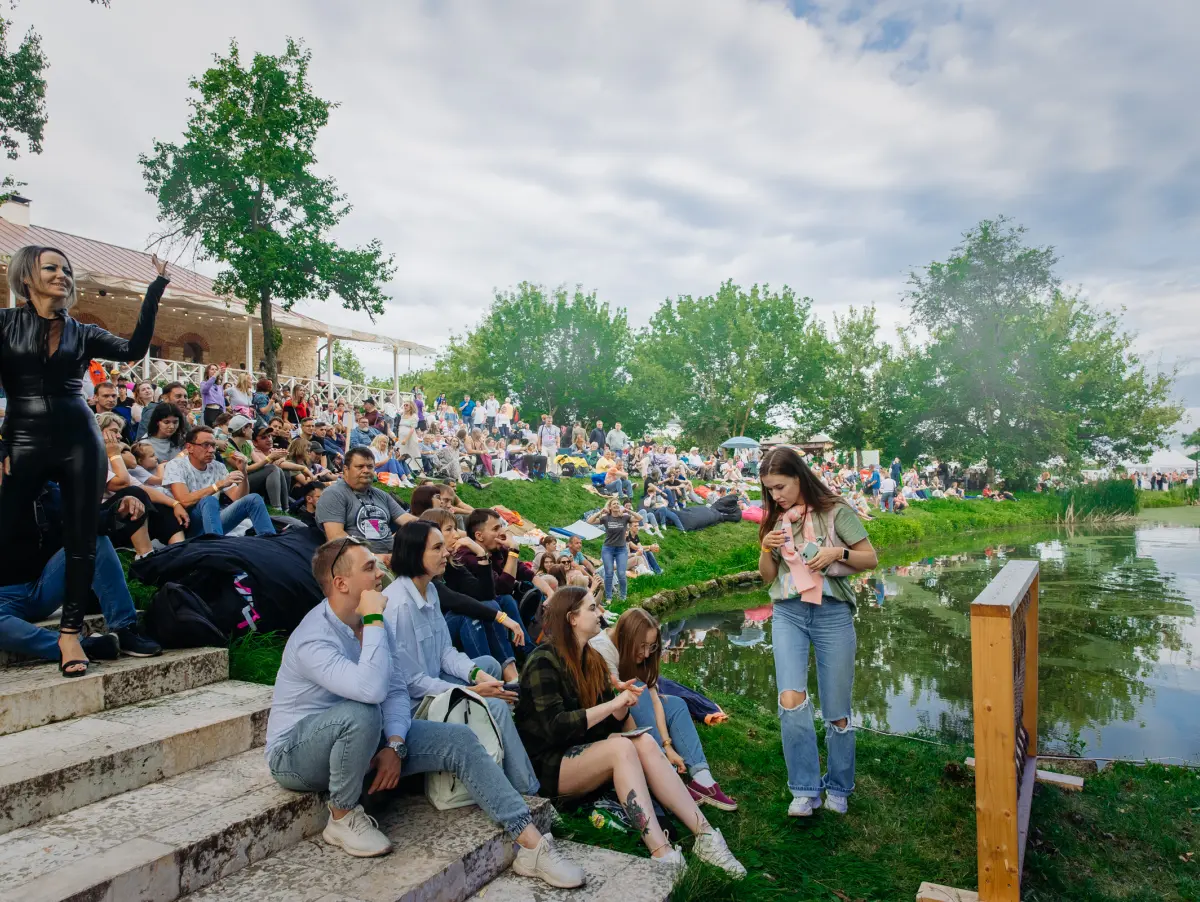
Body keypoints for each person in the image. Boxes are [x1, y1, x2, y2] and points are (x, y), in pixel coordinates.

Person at [264, 538, 583, 886]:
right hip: (295, 754)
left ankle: (532, 844)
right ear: (340, 583)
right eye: (369, 568)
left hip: (365, 739)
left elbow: (396, 688)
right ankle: (341, 815)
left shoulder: (373, 623)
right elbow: (369, 690)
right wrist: (373, 618)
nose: (380, 574)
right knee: (362, 712)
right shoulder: (315, 636)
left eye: (377, 564)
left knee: (460, 740)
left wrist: (397, 744)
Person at [0, 247, 167, 676]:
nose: (62, 274)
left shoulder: (82, 331)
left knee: (82, 536)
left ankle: (72, 633)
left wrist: (155, 290)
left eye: (67, 268)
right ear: (25, 278)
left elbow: (132, 350)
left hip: (79, 436)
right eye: (51, 267)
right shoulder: (4, 324)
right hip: (21, 434)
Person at [515, 586, 746, 876]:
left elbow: (605, 725)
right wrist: (613, 703)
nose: (600, 613)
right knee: (622, 747)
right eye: (591, 608)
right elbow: (555, 727)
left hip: (585, 755)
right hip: (549, 765)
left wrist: (621, 708)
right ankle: (663, 855)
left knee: (644, 741)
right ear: (572, 618)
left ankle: (705, 836)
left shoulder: (592, 660)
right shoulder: (543, 661)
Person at [758, 446, 877, 817]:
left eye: (780, 487)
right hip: (788, 614)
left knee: (837, 709)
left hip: (832, 614)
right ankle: (805, 789)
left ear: (798, 476)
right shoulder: (776, 521)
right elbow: (768, 578)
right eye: (769, 490)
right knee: (790, 699)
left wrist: (836, 555)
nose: (775, 496)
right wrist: (765, 549)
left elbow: (870, 558)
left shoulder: (836, 512)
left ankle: (839, 785)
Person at [589, 608, 736, 809]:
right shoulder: (603, 650)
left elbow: (654, 698)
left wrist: (667, 745)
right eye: (642, 646)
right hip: (606, 720)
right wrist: (657, 752)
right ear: (627, 637)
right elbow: (619, 709)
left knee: (675, 704)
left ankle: (703, 779)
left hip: (632, 707)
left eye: (651, 646)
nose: (647, 653)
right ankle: (665, 776)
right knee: (637, 693)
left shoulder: (639, 653)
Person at [1, 483, 162, 663]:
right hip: (5, 597)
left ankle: (125, 628)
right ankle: (82, 646)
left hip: (45, 584)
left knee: (93, 539)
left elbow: (87, 522)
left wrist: (118, 511)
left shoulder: (48, 490)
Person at [418, 507, 527, 682]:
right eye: (449, 529)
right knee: (468, 614)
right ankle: (494, 679)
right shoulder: (423, 573)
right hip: (429, 639)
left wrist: (481, 554)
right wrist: (500, 617)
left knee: (491, 604)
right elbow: (455, 600)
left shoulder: (450, 564)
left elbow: (485, 593)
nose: (456, 535)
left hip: (444, 632)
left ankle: (509, 674)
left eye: (455, 528)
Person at [164, 425, 277, 538]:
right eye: (205, 445)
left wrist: (243, 472)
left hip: (214, 522)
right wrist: (218, 485)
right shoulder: (176, 465)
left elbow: (238, 498)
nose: (212, 450)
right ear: (189, 447)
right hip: (188, 525)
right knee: (209, 500)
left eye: (213, 445)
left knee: (253, 499)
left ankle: (269, 541)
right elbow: (184, 500)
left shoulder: (218, 467)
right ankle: (217, 546)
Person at [315, 446, 415, 561]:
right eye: (360, 467)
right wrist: (373, 557)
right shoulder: (334, 494)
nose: (366, 470)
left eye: (370, 466)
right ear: (346, 470)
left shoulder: (381, 495)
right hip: (358, 562)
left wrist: (432, 523)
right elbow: (336, 537)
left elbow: (406, 518)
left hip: (392, 556)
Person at [587, 498, 633, 605]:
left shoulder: (624, 517)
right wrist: (600, 512)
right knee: (609, 573)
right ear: (610, 507)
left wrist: (628, 510)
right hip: (608, 549)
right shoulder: (606, 518)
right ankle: (608, 597)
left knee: (621, 573)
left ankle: (623, 597)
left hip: (621, 549)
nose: (616, 505)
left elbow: (639, 518)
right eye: (614, 504)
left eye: (618, 503)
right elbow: (589, 522)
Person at [199, 362, 228, 426]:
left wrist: (224, 413)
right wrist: (215, 375)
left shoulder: (219, 386)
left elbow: (222, 401)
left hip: (220, 411)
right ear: (207, 372)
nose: (215, 371)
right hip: (210, 411)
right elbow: (205, 389)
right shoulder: (203, 383)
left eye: (216, 369)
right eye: (212, 369)